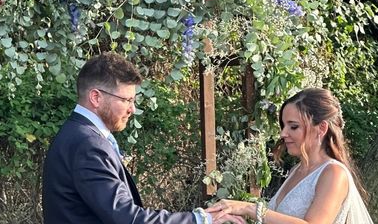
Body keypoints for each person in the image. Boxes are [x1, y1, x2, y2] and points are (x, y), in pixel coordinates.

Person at [42, 52, 243, 224]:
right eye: (126, 100)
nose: (132, 109)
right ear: (96, 97)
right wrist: (200, 219)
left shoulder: (77, 133)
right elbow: (127, 218)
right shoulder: (87, 144)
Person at [207, 88, 373, 224]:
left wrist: (249, 209)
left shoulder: (334, 174)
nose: (283, 133)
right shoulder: (296, 170)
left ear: (321, 128)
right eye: (283, 125)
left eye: (293, 127)